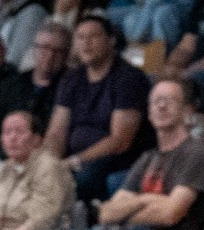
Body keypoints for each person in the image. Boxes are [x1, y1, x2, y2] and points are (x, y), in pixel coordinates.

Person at [39, 77, 204, 230]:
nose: (161, 106)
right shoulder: (148, 157)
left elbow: (170, 214)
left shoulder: (196, 153)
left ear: (186, 110)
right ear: (149, 112)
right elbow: (107, 214)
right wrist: (146, 200)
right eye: (155, 101)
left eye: (169, 101)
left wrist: (130, 208)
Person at [46, 14, 154, 203]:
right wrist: (49, 163)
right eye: (80, 38)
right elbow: (56, 133)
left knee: (83, 178)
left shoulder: (128, 78)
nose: (86, 43)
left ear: (111, 41)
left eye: (93, 36)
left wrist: (75, 161)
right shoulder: (71, 79)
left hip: (117, 158)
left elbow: (120, 140)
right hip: (76, 158)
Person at [0, 110, 76, 230]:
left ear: (36, 139)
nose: (12, 138)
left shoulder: (48, 167)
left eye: (19, 132)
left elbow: (44, 219)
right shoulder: (2, 169)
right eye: (7, 132)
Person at [21, 22, 71, 130]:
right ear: (34, 50)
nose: (50, 55)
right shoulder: (15, 82)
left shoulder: (71, 86)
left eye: (57, 51)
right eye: (44, 48)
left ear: (66, 55)